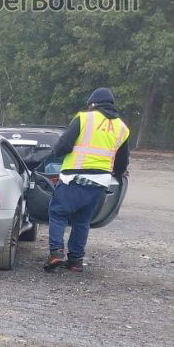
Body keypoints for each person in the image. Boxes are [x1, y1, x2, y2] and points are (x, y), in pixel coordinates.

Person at [44, 88, 129, 272]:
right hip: (100, 181)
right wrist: (119, 173)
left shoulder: (84, 118)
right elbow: (122, 161)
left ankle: (56, 253)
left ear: (92, 104)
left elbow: (64, 145)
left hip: (74, 177)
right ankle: (75, 261)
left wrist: (55, 153)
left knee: (58, 213)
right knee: (82, 220)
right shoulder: (122, 128)